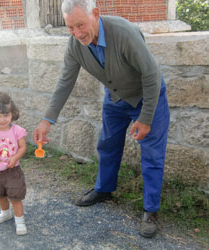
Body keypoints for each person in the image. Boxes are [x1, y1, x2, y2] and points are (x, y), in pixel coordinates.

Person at [33, 0, 170, 238]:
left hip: (148, 99)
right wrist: (48, 120)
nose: (76, 33)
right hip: (116, 99)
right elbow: (65, 81)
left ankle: (150, 211)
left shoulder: (124, 33)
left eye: (80, 25)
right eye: (70, 28)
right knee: (107, 145)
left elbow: (151, 75)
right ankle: (104, 189)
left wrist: (146, 118)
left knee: (152, 156)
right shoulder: (75, 45)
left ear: (95, 14)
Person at [0, 92, 28, 235]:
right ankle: (5, 213)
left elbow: (22, 147)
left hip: (12, 170)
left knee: (15, 196)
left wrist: (14, 158)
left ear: (12, 114)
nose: (2, 120)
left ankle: (20, 221)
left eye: (6, 115)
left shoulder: (17, 131)